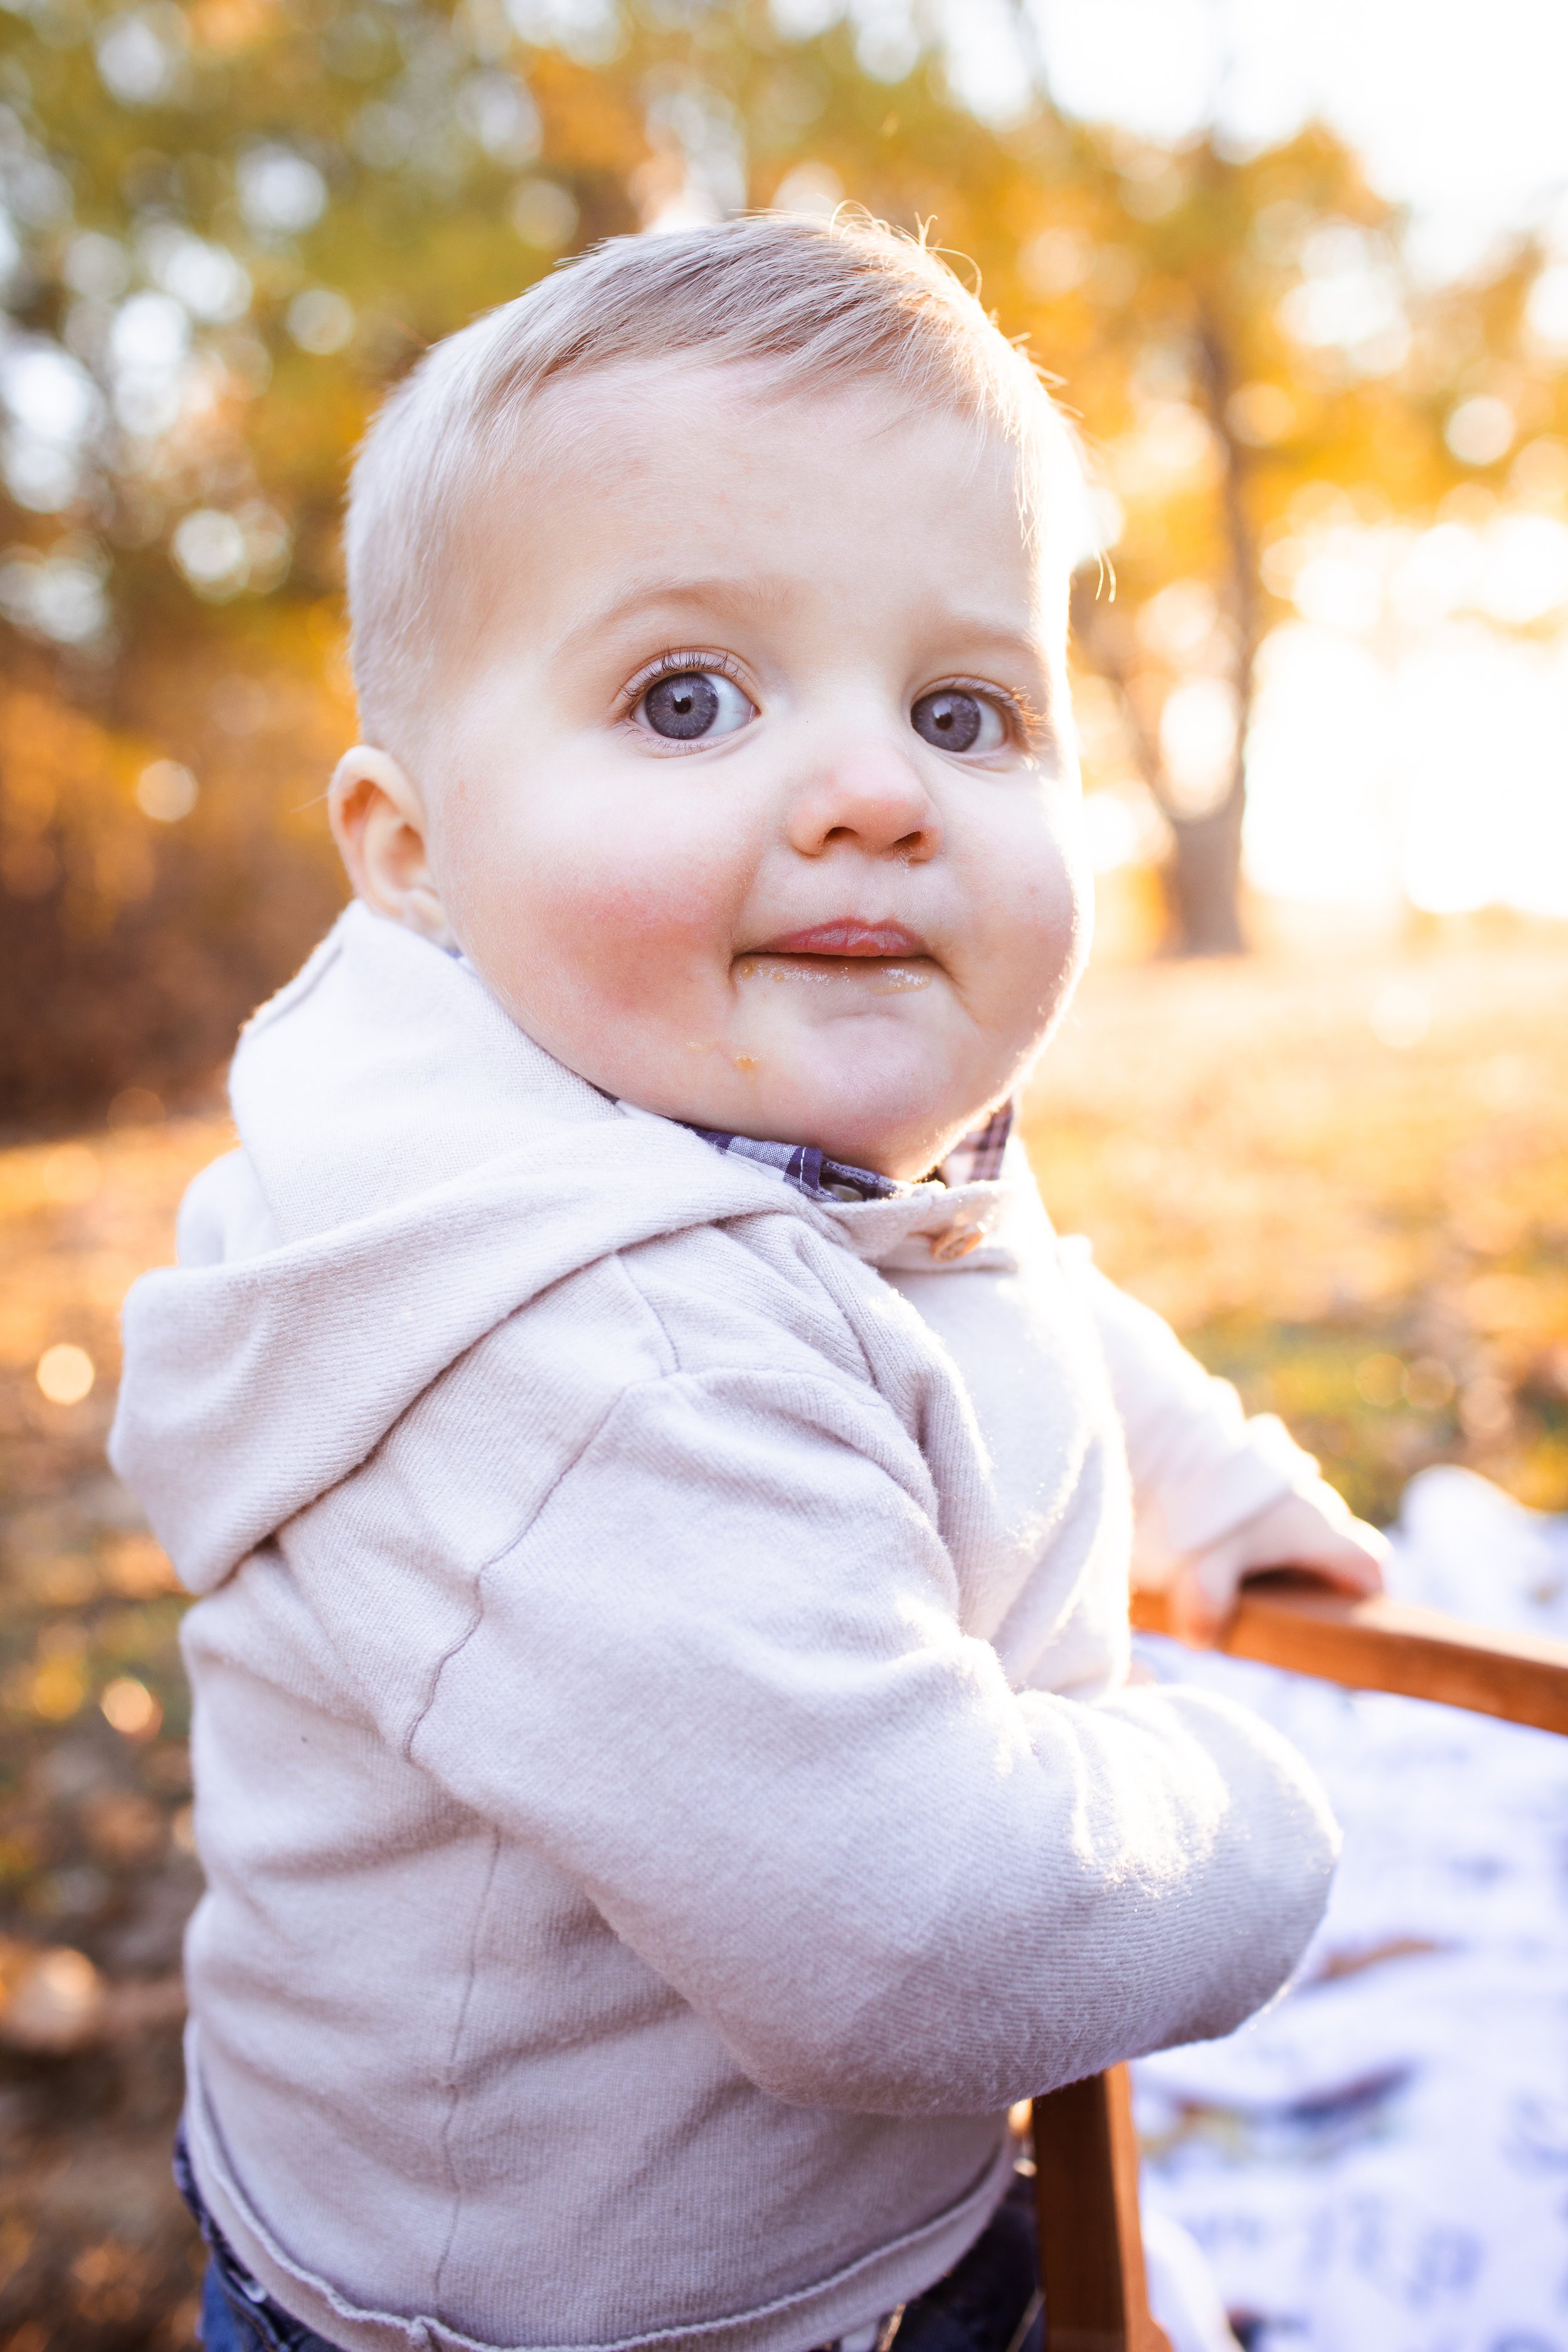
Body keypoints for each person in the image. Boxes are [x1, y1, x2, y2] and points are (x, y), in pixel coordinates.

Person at [110, 215, 1384, 2352]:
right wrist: (1252, 1809)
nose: (875, 792)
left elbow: (990, 1285)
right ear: (412, 850)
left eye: (964, 710)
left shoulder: (730, 1112)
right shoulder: (587, 1359)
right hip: (585, 2314)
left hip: (849, 2224)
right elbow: (906, 1938)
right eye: (686, 699)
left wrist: (1212, 1484)